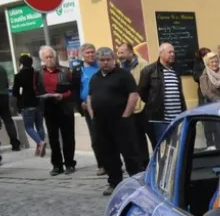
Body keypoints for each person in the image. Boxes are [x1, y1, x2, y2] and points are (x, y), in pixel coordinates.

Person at [87, 47, 141, 195]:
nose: (105, 63)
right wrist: (92, 115)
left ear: (114, 60)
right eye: (102, 60)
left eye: (108, 60)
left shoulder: (123, 75)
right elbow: (90, 97)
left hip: (121, 121)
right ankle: (114, 183)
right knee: (108, 155)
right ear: (98, 61)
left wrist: (126, 115)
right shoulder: (95, 77)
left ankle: (137, 182)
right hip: (101, 123)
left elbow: (133, 94)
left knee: (130, 153)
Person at [36, 45, 77, 176]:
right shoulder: (38, 73)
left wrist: (62, 96)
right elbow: (35, 90)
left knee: (68, 137)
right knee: (53, 138)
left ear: (55, 57)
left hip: (65, 107)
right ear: (42, 59)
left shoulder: (65, 71)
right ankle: (57, 165)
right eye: (46, 57)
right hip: (49, 108)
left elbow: (74, 90)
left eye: (51, 56)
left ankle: (69, 163)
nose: (50, 59)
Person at [138, 42, 187, 145]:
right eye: (169, 52)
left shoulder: (176, 70)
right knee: (162, 148)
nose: (173, 54)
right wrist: (153, 103)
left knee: (177, 147)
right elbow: (142, 92)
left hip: (177, 118)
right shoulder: (149, 70)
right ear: (161, 54)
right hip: (159, 120)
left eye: (173, 52)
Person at [72, 43, 104, 175]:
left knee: (109, 136)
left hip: (105, 106)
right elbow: (75, 89)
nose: (90, 55)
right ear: (82, 55)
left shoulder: (102, 66)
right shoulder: (78, 70)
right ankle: (102, 164)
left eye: (92, 52)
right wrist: (80, 104)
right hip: (88, 108)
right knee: (96, 137)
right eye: (87, 53)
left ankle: (113, 163)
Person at [117, 42, 151, 168]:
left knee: (152, 137)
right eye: (119, 52)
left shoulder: (143, 64)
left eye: (122, 52)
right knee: (137, 139)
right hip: (130, 109)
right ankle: (144, 164)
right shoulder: (120, 68)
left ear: (131, 52)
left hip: (144, 107)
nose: (119, 55)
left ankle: (158, 164)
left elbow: (148, 86)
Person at [12, 54, 46, 157]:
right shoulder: (37, 73)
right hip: (38, 101)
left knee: (28, 126)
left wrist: (20, 98)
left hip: (26, 103)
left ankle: (40, 143)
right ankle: (39, 147)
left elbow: (15, 92)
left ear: (21, 64)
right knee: (39, 125)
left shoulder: (19, 75)